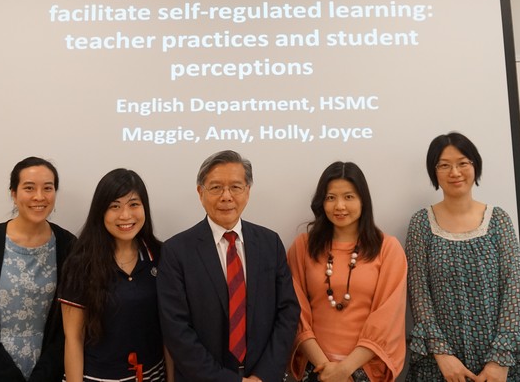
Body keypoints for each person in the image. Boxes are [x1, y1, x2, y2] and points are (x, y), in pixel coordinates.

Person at [405, 132, 520, 382]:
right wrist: (443, 355)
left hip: (500, 361)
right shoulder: (421, 224)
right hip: (440, 365)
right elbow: (419, 295)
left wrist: (499, 361)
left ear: (475, 166)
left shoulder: (499, 219)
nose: (455, 172)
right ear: (433, 172)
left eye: (463, 163)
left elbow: (512, 291)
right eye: (444, 165)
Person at [157, 150, 300, 382]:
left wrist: (263, 376)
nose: (226, 196)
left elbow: (288, 312)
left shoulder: (269, 243)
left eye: (235, 187)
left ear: (248, 191)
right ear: (200, 192)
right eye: (215, 188)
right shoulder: (176, 251)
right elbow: (176, 329)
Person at [0, 156, 76, 382]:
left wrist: (43, 375)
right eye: (29, 188)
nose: (39, 197)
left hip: (47, 372)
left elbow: (67, 327)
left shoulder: (69, 247)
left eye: (47, 188)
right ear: (13, 193)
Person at [287, 161, 407, 382]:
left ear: (363, 200)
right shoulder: (303, 246)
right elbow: (295, 311)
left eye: (349, 197)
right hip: (315, 369)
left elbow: (387, 318)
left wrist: (345, 370)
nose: (339, 206)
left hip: (366, 370)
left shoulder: (388, 248)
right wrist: (325, 368)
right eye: (331, 197)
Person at [58, 168, 171, 382]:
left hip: (152, 375)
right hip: (97, 377)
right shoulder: (80, 263)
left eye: (134, 204)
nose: (125, 215)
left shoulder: (162, 255)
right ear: (101, 212)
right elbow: (73, 338)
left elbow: (170, 331)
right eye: (114, 206)